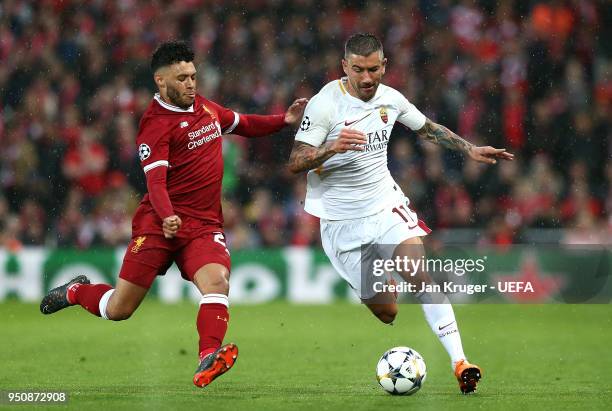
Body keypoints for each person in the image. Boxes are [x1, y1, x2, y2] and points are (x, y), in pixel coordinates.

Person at [40, 40, 307, 388]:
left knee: (217, 282)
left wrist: (283, 121)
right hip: (158, 224)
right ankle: (76, 292)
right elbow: (155, 183)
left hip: (203, 225)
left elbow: (242, 123)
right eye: (182, 78)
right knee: (119, 309)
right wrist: (167, 216)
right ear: (161, 82)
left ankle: (207, 357)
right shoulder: (155, 124)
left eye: (193, 76)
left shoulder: (205, 108)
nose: (191, 84)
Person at [288, 33, 513, 394]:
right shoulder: (324, 104)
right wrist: (331, 147)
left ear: (384, 66)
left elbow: (427, 128)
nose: (366, 78)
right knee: (387, 312)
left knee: (421, 276)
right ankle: (383, 284)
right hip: (341, 223)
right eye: (358, 69)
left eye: (373, 69)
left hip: (385, 206)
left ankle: (460, 362)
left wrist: (469, 149)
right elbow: (295, 162)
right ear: (344, 66)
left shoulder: (391, 99)